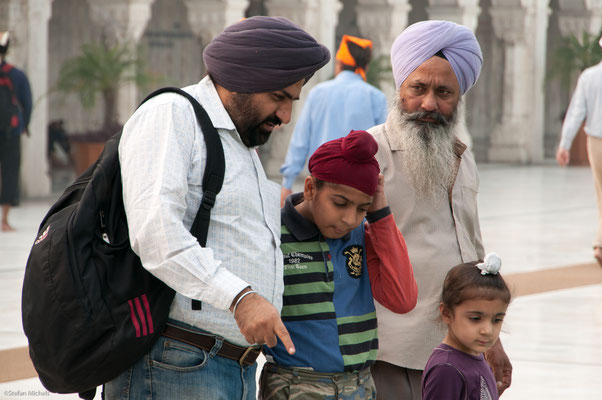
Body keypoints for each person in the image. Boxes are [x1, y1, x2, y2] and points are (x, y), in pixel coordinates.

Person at [104, 16, 330, 400]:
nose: (285, 116)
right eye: (278, 97)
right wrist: (240, 297)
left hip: (229, 367)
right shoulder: (174, 115)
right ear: (241, 79)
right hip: (175, 364)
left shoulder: (239, 142)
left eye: (291, 101)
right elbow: (156, 233)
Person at [367, 20, 512, 399]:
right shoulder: (369, 154)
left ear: (459, 97)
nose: (429, 103)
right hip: (391, 354)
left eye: (444, 92)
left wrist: (489, 339)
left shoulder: (463, 159)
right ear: (400, 87)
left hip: (458, 352)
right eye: (419, 88)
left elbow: (471, 251)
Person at [259, 130, 418, 399]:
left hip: (359, 385)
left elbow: (402, 299)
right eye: (340, 203)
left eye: (361, 208)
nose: (348, 219)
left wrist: (380, 214)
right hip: (296, 384)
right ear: (310, 188)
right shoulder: (273, 234)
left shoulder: (363, 235)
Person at [279, 34, 387, 205]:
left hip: (321, 181)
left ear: (339, 64)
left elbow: (300, 140)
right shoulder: (376, 97)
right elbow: (382, 146)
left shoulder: (318, 92)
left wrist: (288, 182)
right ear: (365, 66)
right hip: (359, 188)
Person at [422, 253, 511, 400]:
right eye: (475, 319)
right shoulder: (447, 369)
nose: (487, 330)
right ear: (447, 313)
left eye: (497, 320)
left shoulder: (476, 355)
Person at [556, 35, 602, 267]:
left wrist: (565, 144)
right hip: (595, 139)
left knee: (600, 192)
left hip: (595, 142)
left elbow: (576, 112)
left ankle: (600, 243)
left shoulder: (589, 76)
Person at [0, 31, 32, 232]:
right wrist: (24, 126)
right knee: (10, 173)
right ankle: (4, 220)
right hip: (11, 132)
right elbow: (27, 104)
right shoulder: (16, 75)